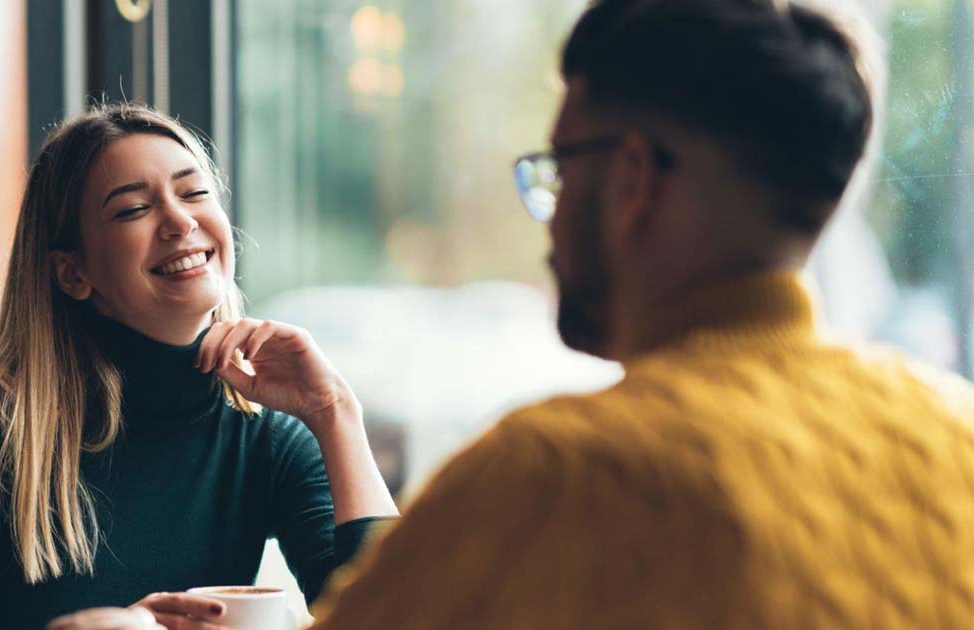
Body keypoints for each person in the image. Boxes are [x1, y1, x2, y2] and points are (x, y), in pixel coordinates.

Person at [304, 1, 974, 628]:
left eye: (559, 169)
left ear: (633, 180)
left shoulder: (558, 472)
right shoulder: (958, 432)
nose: (553, 212)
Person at [0, 103, 398, 630]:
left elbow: (395, 617)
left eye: (194, 193)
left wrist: (334, 409)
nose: (180, 220)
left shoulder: (265, 433)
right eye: (132, 210)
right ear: (73, 273)